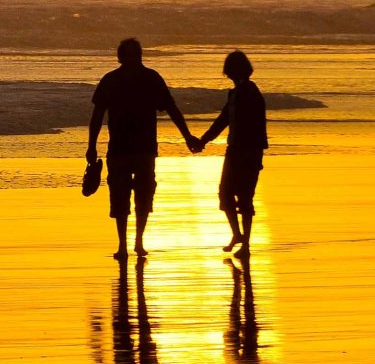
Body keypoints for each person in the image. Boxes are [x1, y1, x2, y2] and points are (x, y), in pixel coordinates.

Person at [86, 38, 200, 260]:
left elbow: (171, 108)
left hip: (134, 148)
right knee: (132, 194)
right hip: (131, 148)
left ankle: (133, 243)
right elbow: (97, 115)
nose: (130, 60)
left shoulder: (120, 79)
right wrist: (91, 145)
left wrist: (187, 136)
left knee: (134, 194)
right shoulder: (145, 78)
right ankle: (128, 244)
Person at [198, 49, 268, 255]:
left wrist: (203, 141)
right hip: (236, 150)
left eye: (228, 70)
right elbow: (223, 119)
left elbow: (236, 122)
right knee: (226, 194)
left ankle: (245, 243)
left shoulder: (250, 93)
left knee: (244, 196)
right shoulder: (236, 93)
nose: (226, 74)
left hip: (247, 151)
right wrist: (204, 140)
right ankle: (238, 236)